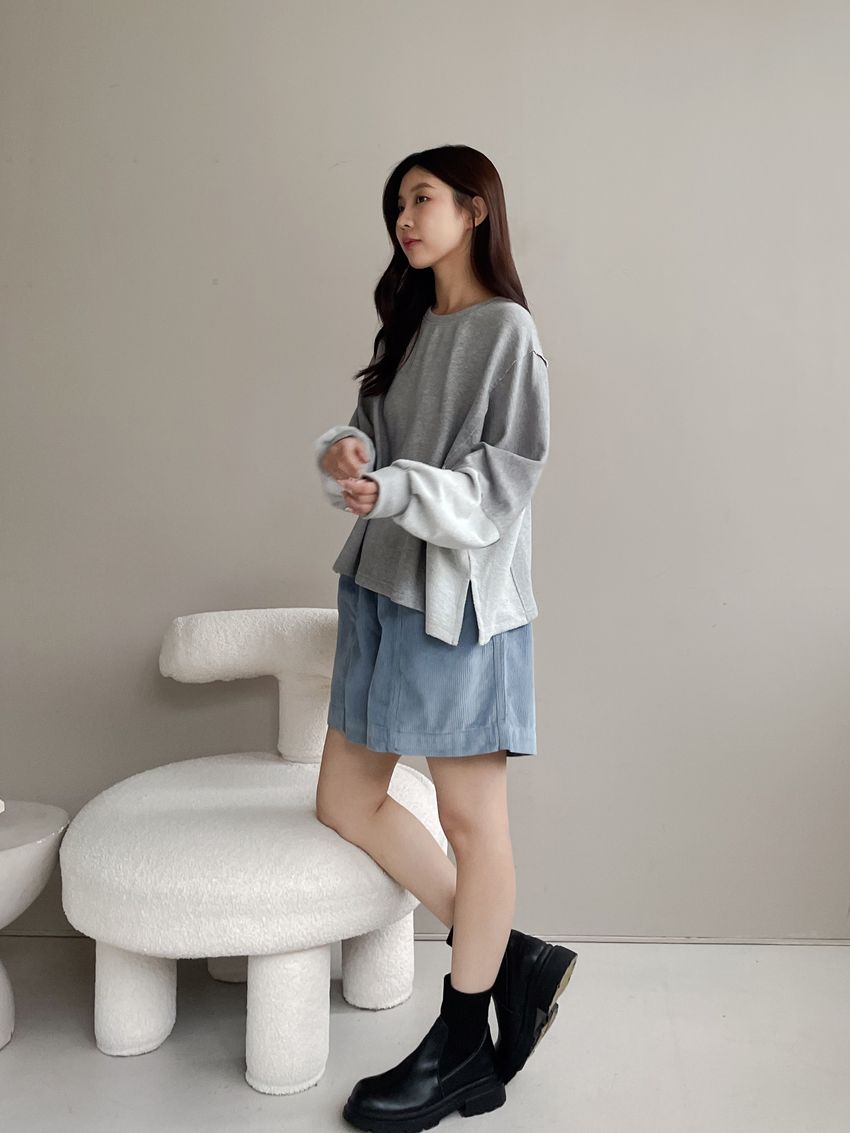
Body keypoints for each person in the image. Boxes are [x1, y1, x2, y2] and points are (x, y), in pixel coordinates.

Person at [313, 145, 578, 1132]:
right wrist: (347, 454)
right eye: (396, 204)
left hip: (457, 606)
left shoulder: (509, 331)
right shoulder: (413, 325)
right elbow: (371, 440)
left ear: (475, 209)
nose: (404, 218)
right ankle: (509, 955)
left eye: (421, 198)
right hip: (380, 591)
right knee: (345, 799)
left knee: (474, 822)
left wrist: (397, 487)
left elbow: (503, 483)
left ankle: (463, 1041)